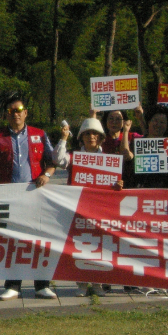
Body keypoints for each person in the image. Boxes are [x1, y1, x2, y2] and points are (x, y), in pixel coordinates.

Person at [0, 95, 59, 300]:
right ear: (7, 115)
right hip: (7, 195)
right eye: (11, 111)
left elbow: (53, 161)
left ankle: (42, 284)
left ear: (26, 112)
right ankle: (12, 285)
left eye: (19, 109)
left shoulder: (39, 134)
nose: (16, 113)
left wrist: (46, 175)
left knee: (38, 239)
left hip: (34, 194)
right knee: (11, 240)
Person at [55, 118, 120, 297]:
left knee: (101, 244)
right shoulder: (74, 156)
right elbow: (59, 160)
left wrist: (118, 184)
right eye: (88, 134)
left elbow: (113, 183)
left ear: (101, 138)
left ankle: (98, 283)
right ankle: (82, 283)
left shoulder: (109, 159)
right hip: (79, 206)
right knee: (81, 244)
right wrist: (63, 138)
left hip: (100, 208)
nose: (92, 137)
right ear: (82, 137)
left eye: (95, 134)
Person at [132, 104, 168, 189]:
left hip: (165, 193)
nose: (158, 124)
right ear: (148, 122)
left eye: (162, 122)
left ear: (167, 126)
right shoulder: (137, 144)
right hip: (142, 193)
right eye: (155, 121)